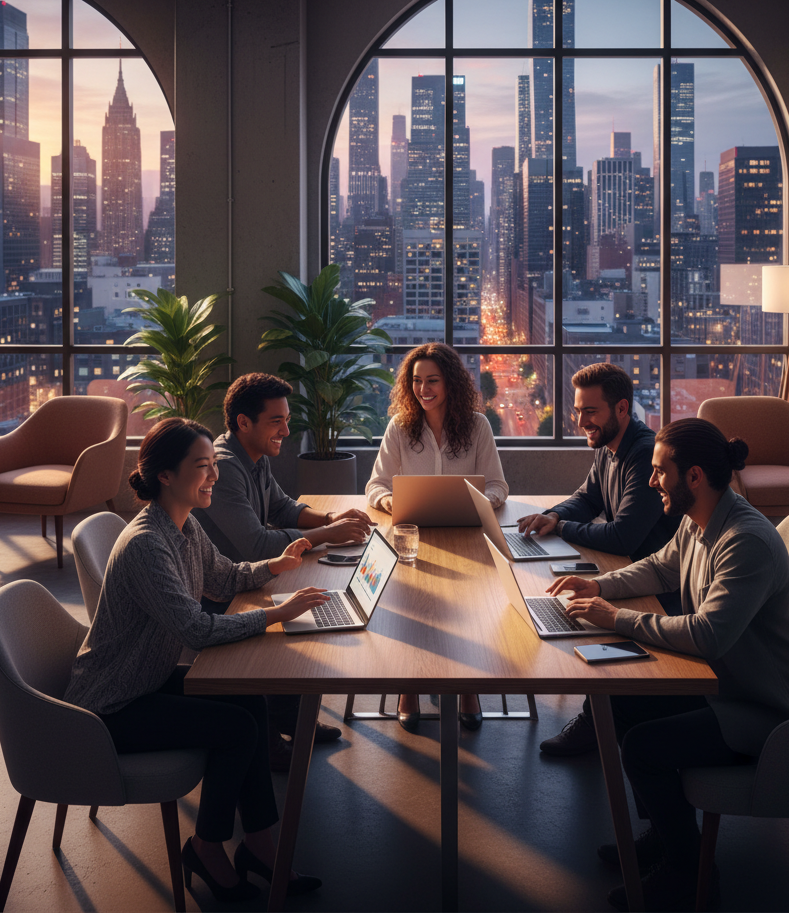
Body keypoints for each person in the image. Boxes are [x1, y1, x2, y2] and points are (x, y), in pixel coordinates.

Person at [546, 418, 789, 912]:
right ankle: (666, 836)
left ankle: (688, 871)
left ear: (693, 476)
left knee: (644, 748)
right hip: (729, 685)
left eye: (658, 471)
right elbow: (659, 566)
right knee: (626, 702)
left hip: (768, 712)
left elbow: (707, 634)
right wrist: (598, 586)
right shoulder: (701, 521)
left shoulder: (744, 541)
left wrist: (617, 618)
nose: (651, 482)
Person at [64, 418, 328, 902]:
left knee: (249, 704)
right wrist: (277, 613)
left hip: (147, 680)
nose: (214, 477)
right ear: (165, 475)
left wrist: (275, 565)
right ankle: (207, 849)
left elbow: (224, 578)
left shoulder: (182, 526)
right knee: (238, 729)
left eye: (213, 465)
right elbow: (196, 629)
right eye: (202, 467)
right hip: (112, 705)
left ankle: (260, 847)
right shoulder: (148, 543)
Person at [193, 372, 375, 761]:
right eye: (277, 421)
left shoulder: (253, 457)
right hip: (220, 595)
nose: (286, 430)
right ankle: (268, 736)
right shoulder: (224, 469)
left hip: (246, 579)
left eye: (287, 420)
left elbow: (283, 507)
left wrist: (331, 518)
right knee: (301, 614)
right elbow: (256, 544)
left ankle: (288, 716)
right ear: (244, 422)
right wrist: (328, 534)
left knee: (310, 602)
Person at [516, 363, 680, 757]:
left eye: (590, 411)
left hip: (658, 587)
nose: (580, 420)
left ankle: (599, 720)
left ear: (621, 409)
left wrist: (560, 529)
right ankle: (604, 713)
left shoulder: (642, 453)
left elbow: (624, 534)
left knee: (577, 610)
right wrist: (554, 515)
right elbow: (587, 499)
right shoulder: (609, 447)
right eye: (577, 411)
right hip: (627, 568)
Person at [365, 342, 508, 731]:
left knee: (471, 612)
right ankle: (408, 687)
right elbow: (375, 485)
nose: (423, 389)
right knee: (413, 608)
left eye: (432, 381)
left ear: (450, 383)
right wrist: (392, 500)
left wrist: (484, 500)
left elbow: (498, 485)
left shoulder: (478, 425)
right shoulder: (399, 426)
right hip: (413, 535)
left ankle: (467, 688)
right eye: (416, 381)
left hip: (467, 535)